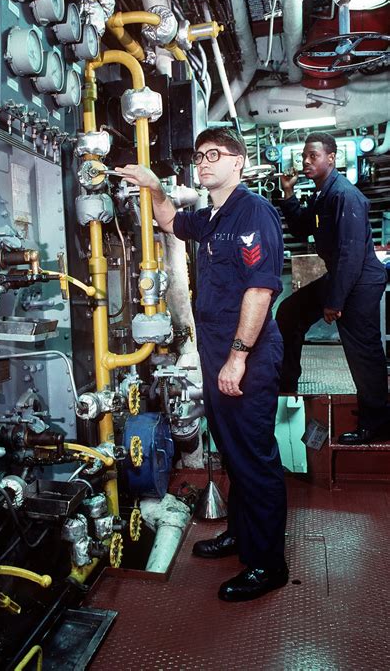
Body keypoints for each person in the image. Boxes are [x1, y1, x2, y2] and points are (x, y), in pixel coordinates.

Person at [116, 127, 288, 602]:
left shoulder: (253, 213)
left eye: (216, 154)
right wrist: (152, 186)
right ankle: (241, 533)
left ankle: (268, 563)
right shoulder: (212, 215)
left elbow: (259, 290)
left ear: (239, 162)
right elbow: (170, 222)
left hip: (244, 354)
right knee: (232, 452)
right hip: (217, 352)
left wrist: (237, 358)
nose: (205, 162)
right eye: (200, 155)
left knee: (254, 458)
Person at [277, 132, 390, 444]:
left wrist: (334, 300)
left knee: (362, 348)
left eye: (313, 155)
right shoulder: (322, 195)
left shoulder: (344, 195)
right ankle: (286, 383)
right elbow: (302, 229)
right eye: (304, 157)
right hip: (343, 273)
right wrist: (288, 195)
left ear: (331, 158)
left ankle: (378, 420)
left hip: (360, 280)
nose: (306, 162)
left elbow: (351, 254)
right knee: (290, 313)